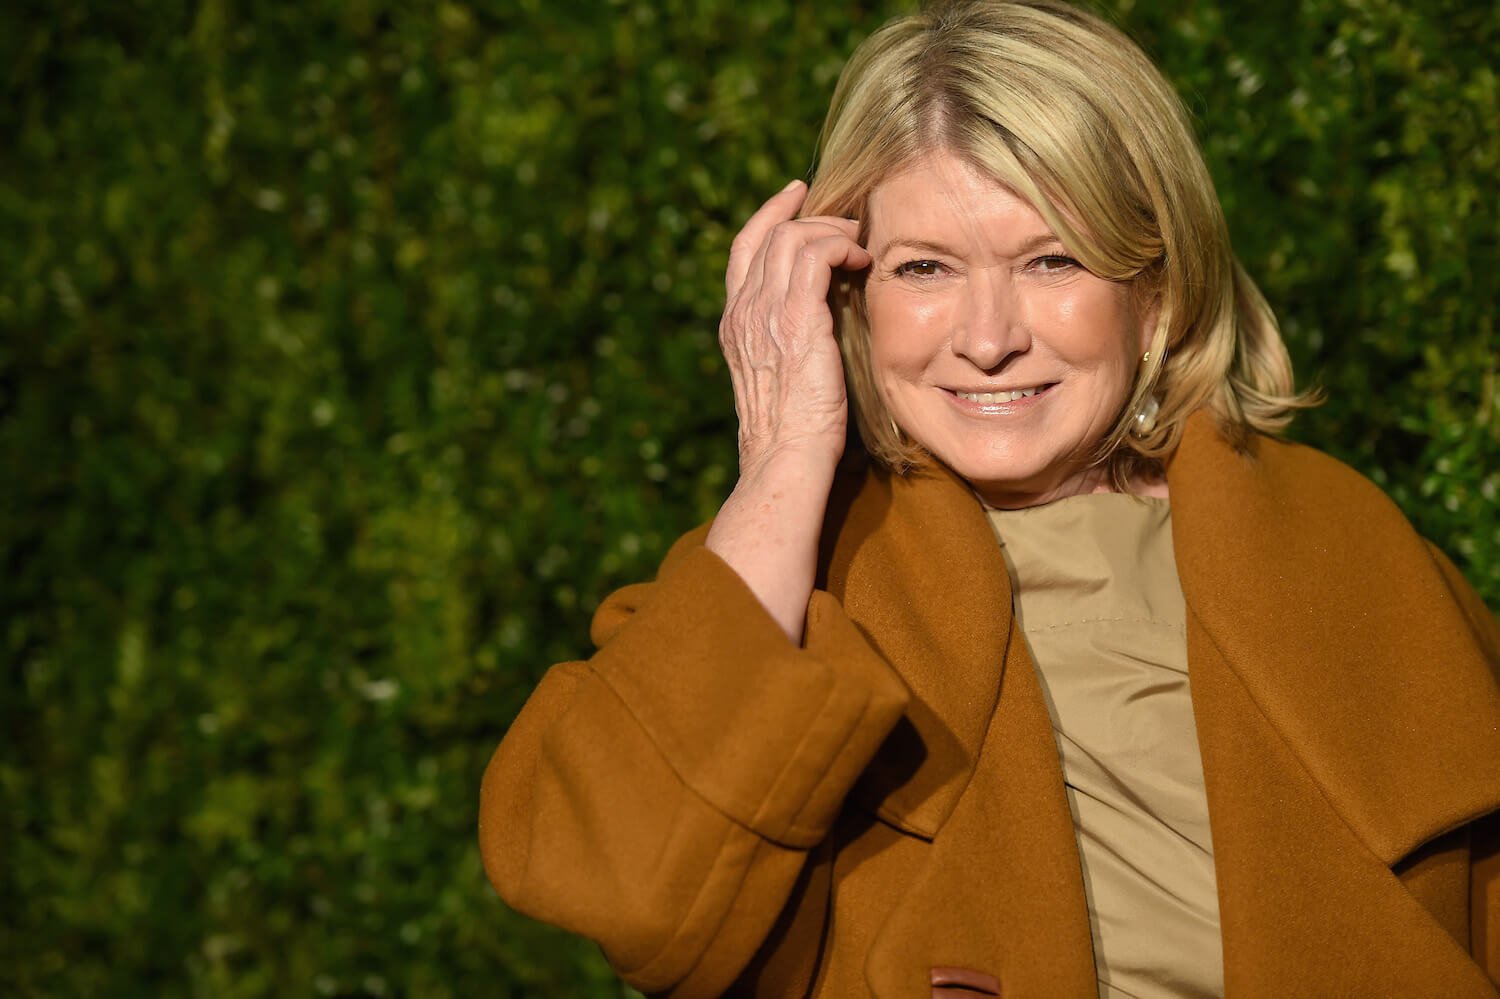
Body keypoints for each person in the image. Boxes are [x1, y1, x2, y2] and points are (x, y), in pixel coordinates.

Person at [479, 1, 1500, 995]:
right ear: (848, 296)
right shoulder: (795, 576)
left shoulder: (1347, 547)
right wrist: (784, 451)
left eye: (1052, 260)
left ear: (1160, 292)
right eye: (924, 268)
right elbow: (614, 891)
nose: (985, 337)